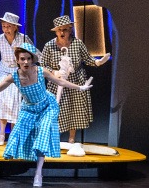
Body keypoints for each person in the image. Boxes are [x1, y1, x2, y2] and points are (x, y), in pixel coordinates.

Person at [0, 42, 93, 187]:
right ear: (17, 60)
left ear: (32, 59)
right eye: (22, 59)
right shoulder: (13, 77)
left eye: (28, 58)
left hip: (47, 107)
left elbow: (60, 81)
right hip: (29, 109)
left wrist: (80, 87)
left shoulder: (41, 71)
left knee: (42, 135)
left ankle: (38, 173)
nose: (26, 62)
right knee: (17, 135)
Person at [40, 15, 110, 144]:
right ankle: (53, 139)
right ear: (55, 31)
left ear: (70, 29)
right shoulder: (49, 46)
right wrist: (55, 72)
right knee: (57, 110)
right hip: (57, 82)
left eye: (65, 29)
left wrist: (98, 62)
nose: (62, 32)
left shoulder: (77, 43)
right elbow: (43, 65)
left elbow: (88, 59)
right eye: (59, 30)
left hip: (76, 80)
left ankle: (71, 138)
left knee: (74, 110)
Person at [0, 11, 34, 146]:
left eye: (8, 26)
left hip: (18, 71)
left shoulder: (23, 38)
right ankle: (1, 133)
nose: (6, 29)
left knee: (15, 100)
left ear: (15, 27)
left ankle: (13, 134)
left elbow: (33, 52)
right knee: (4, 99)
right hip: (3, 70)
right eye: (4, 26)